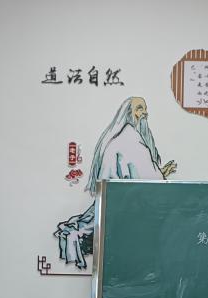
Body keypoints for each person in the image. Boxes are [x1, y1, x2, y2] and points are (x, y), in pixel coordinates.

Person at [55, 96, 177, 268]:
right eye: (140, 109)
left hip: (117, 200)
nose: (145, 113)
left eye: (145, 108)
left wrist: (161, 172)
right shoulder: (130, 139)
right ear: (129, 113)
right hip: (123, 204)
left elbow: (140, 174)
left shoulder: (123, 137)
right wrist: (162, 173)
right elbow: (148, 178)